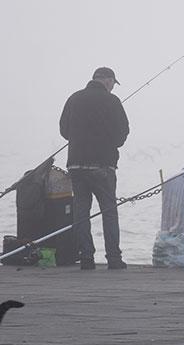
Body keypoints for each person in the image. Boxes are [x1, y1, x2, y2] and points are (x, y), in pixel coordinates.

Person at [60, 67, 129, 270]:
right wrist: (111, 143)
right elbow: (123, 131)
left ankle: (86, 257)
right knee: (108, 211)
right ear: (107, 81)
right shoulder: (112, 101)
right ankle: (114, 258)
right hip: (103, 166)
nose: (112, 88)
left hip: (76, 165)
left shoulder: (74, 99)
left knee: (81, 211)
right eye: (112, 83)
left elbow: (64, 130)